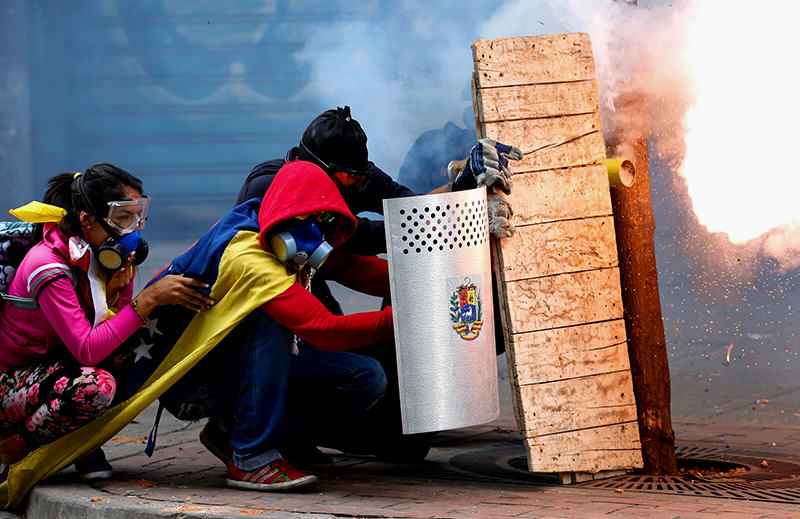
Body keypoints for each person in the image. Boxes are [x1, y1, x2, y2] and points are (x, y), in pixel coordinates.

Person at [232, 106, 521, 464]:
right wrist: (411, 317)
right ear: (327, 175)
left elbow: (400, 222)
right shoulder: (275, 190)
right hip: (268, 321)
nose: (358, 185)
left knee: (404, 446)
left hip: (312, 290)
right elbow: (330, 309)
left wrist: (465, 196)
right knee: (361, 374)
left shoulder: (352, 177)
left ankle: (308, 426)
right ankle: (260, 435)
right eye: (349, 180)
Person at [121, 159, 394, 492]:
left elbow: (354, 268)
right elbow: (323, 328)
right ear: (293, 211)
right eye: (314, 217)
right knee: (273, 321)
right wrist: (404, 317)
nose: (318, 229)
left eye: (325, 219)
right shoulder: (252, 259)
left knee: (365, 377)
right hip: (194, 382)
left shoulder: (265, 221)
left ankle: (234, 428)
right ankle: (251, 455)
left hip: (224, 364)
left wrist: (424, 282)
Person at [0, 163, 214, 483]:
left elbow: (114, 329)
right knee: (93, 388)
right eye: (123, 218)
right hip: (12, 384)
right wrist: (147, 300)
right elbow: (88, 350)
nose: (134, 229)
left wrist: (120, 290)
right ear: (87, 220)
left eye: (138, 216)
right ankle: (14, 447)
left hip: (57, 365)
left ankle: (79, 442)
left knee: (135, 353)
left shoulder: (97, 254)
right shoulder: (48, 267)